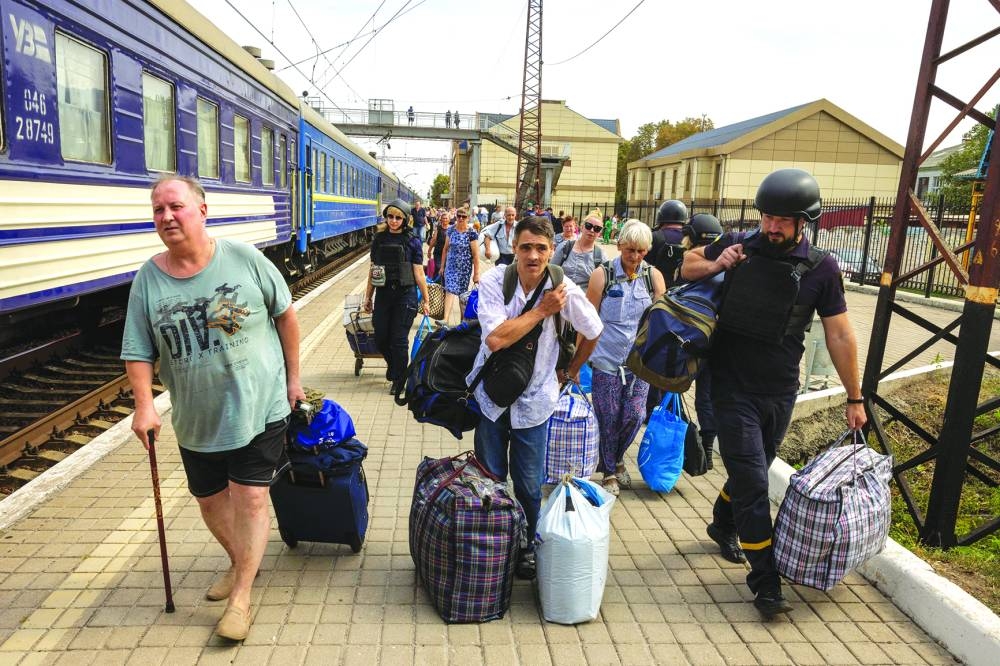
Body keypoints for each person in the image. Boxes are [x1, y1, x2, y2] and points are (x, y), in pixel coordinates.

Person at [122, 176, 305, 642]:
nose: (166, 217)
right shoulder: (149, 277)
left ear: (202, 211)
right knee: (208, 501)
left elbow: (285, 315)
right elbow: (138, 350)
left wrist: (293, 380)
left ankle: (242, 596)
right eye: (158, 210)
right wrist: (144, 407)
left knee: (250, 496)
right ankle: (243, 561)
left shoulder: (244, 259)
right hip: (196, 417)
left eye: (176, 207)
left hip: (258, 405)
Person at [681, 168, 867, 619]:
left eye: (782, 220)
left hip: (781, 389)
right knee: (753, 482)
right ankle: (765, 580)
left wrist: (855, 397)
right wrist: (718, 263)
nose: (772, 227)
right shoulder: (741, 244)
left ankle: (722, 523)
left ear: (805, 221)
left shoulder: (821, 267)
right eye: (767, 217)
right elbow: (687, 265)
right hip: (730, 385)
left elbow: (840, 335)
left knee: (757, 468)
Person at [468, 215, 603, 579]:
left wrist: (571, 371)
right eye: (525, 247)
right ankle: (494, 540)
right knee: (491, 476)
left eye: (541, 248)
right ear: (514, 247)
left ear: (550, 251)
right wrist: (542, 311)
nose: (533, 255)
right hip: (493, 399)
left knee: (529, 484)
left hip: (536, 403)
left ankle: (528, 543)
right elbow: (495, 339)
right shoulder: (497, 280)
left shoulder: (564, 289)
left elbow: (594, 329)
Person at [586, 220, 666, 496]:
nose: (635, 256)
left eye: (641, 251)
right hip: (606, 359)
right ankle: (609, 471)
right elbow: (587, 319)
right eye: (630, 250)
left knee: (634, 415)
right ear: (619, 246)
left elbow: (661, 322)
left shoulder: (653, 276)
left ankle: (616, 457)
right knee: (608, 416)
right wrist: (577, 360)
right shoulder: (602, 275)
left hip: (640, 363)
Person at [364, 199, 432, 394]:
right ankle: (394, 366)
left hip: (406, 295)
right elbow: (373, 270)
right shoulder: (379, 239)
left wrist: (426, 300)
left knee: (399, 339)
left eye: (398, 218)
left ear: (405, 219)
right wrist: (368, 297)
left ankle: (399, 379)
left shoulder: (412, 241)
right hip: (384, 294)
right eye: (390, 217)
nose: (393, 221)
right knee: (381, 337)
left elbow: (419, 273)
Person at [677, 214, 725, 470]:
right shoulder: (725, 269)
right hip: (716, 344)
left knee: (671, 389)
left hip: (687, 340)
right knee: (707, 397)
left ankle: (680, 442)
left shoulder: (690, 265)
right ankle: (706, 445)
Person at [439, 206, 480, 323]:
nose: (461, 218)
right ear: (456, 217)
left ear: (468, 218)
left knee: (462, 295)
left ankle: (463, 321)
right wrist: (442, 266)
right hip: (450, 267)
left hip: (464, 269)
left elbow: (476, 255)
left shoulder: (471, 233)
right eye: (459, 216)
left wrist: (476, 274)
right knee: (450, 290)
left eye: (464, 216)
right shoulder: (451, 230)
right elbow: (445, 249)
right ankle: (445, 319)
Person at [551, 210, 605, 289]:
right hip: (561, 297)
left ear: (599, 233)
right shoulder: (565, 247)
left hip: (585, 299)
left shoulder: (600, 255)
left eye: (597, 228)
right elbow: (551, 272)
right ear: (582, 227)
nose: (592, 230)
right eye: (588, 226)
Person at [427, 210, 451, 279]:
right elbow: (433, 240)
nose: (445, 220)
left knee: (446, 269)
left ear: (449, 219)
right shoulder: (438, 228)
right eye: (443, 218)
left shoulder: (451, 229)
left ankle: (443, 285)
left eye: (446, 218)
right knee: (438, 267)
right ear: (441, 220)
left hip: (447, 252)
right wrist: (429, 251)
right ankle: (436, 284)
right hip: (438, 252)